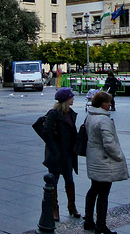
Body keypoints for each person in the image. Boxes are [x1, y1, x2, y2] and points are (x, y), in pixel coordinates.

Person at [83, 91, 129, 234]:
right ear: (100, 103)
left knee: (93, 190)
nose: (110, 104)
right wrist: (119, 156)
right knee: (103, 192)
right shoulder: (103, 119)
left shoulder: (90, 116)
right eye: (107, 102)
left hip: (93, 157)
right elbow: (109, 143)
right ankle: (101, 225)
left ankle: (88, 221)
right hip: (104, 161)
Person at [42, 87, 80, 222]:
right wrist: (54, 149)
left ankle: (72, 206)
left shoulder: (70, 113)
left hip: (68, 152)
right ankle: (54, 209)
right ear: (66, 99)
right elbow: (47, 133)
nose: (73, 99)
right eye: (71, 97)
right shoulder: (54, 114)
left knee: (69, 179)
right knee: (54, 180)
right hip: (57, 153)